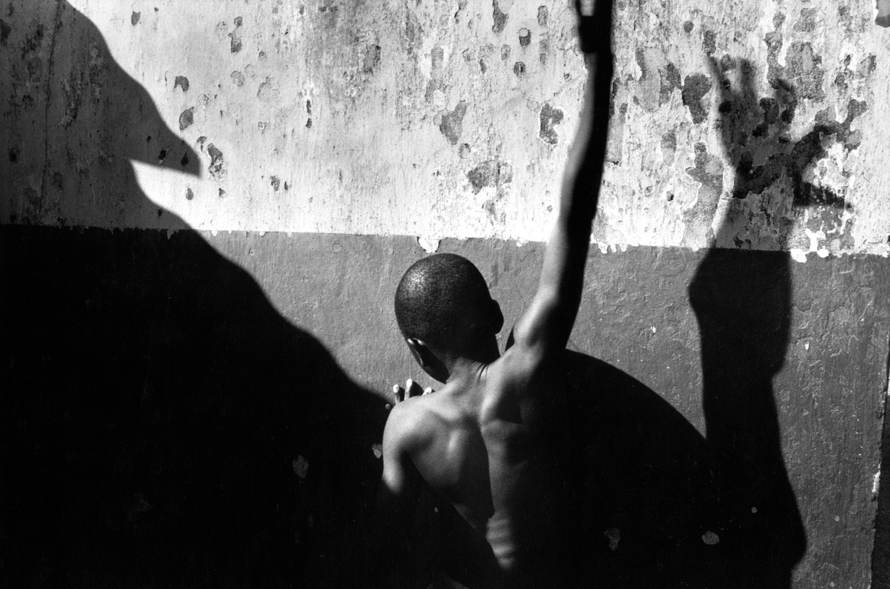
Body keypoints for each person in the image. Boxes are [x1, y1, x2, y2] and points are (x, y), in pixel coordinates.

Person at [374, 1, 614, 586]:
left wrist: (401, 428)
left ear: (419, 348)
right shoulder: (528, 371)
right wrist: (598, 66)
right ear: (497, 313)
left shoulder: (406, 428)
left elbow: (397, 554)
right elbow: (573, 217)